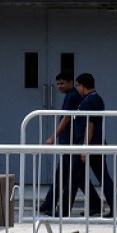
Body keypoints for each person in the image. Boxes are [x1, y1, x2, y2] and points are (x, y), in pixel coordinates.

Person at [69, 72, 117, 218]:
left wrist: (85, 147)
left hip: (90, 146)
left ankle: (63, 210)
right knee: (98, 178)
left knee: (75, 175)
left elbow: (90, 124)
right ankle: (110, 207)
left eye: (77, 85)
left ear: (82, 85)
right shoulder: (96, 99)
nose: (77, 89)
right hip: (96, 145)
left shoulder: (88, 101)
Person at [38, 71, 81, 216]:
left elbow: (66, 117)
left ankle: (50, 204)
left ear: (71, 82)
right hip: (69, 140)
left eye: (62, 83)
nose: (59, 86)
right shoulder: (72, 95)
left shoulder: (72, 96)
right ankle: (48, 203)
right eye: (57, 83)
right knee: (70, 174)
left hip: (69, 141)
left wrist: (53, 136)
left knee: (67, 173)